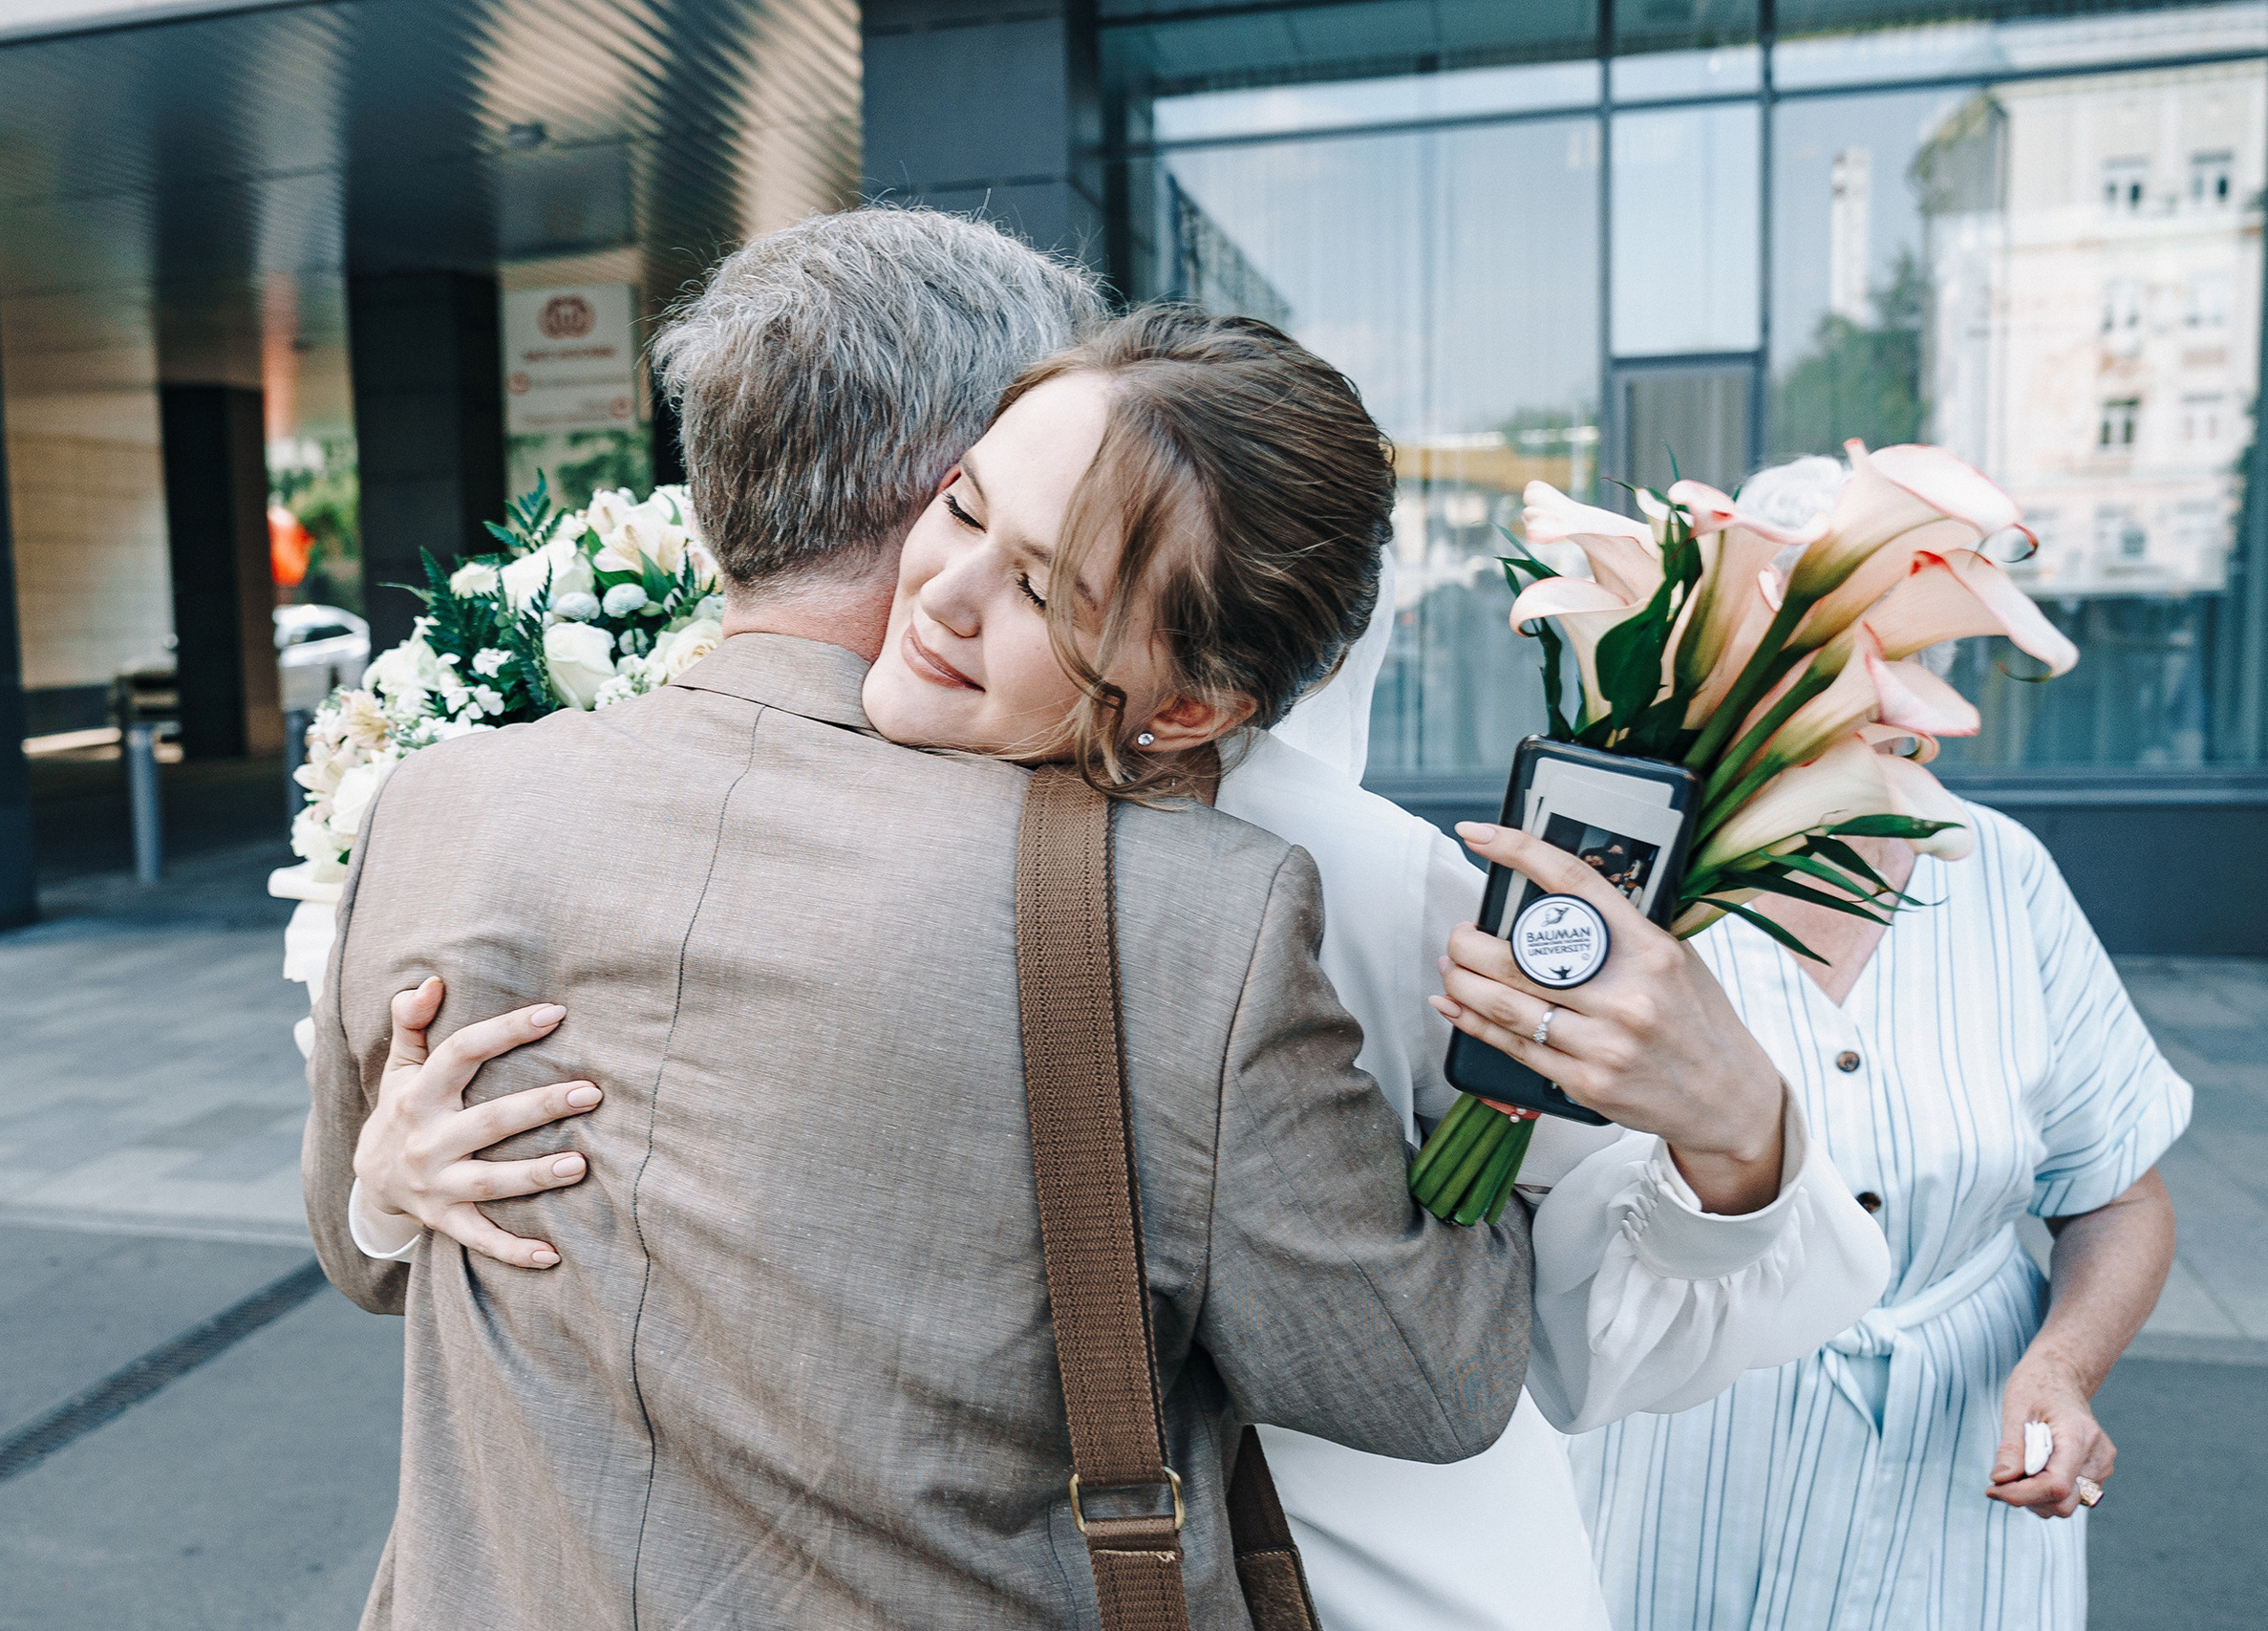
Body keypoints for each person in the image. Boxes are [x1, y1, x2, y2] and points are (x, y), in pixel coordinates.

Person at [334, 216, 1888, 1629]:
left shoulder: (1317, 877)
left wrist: (1735, 1127)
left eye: (1056, 583)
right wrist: (386, 1186)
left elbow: (1537, 1344)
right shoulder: (613, 782)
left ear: (1194, 701)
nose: (942, 597)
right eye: (962, 510)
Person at [1566, 459, 2193, 1631]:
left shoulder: (1999, 870)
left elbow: (2114, 1194)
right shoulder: (1629, 884)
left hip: (1958, 1487)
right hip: (1681, 1481)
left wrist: (2062, 1368)